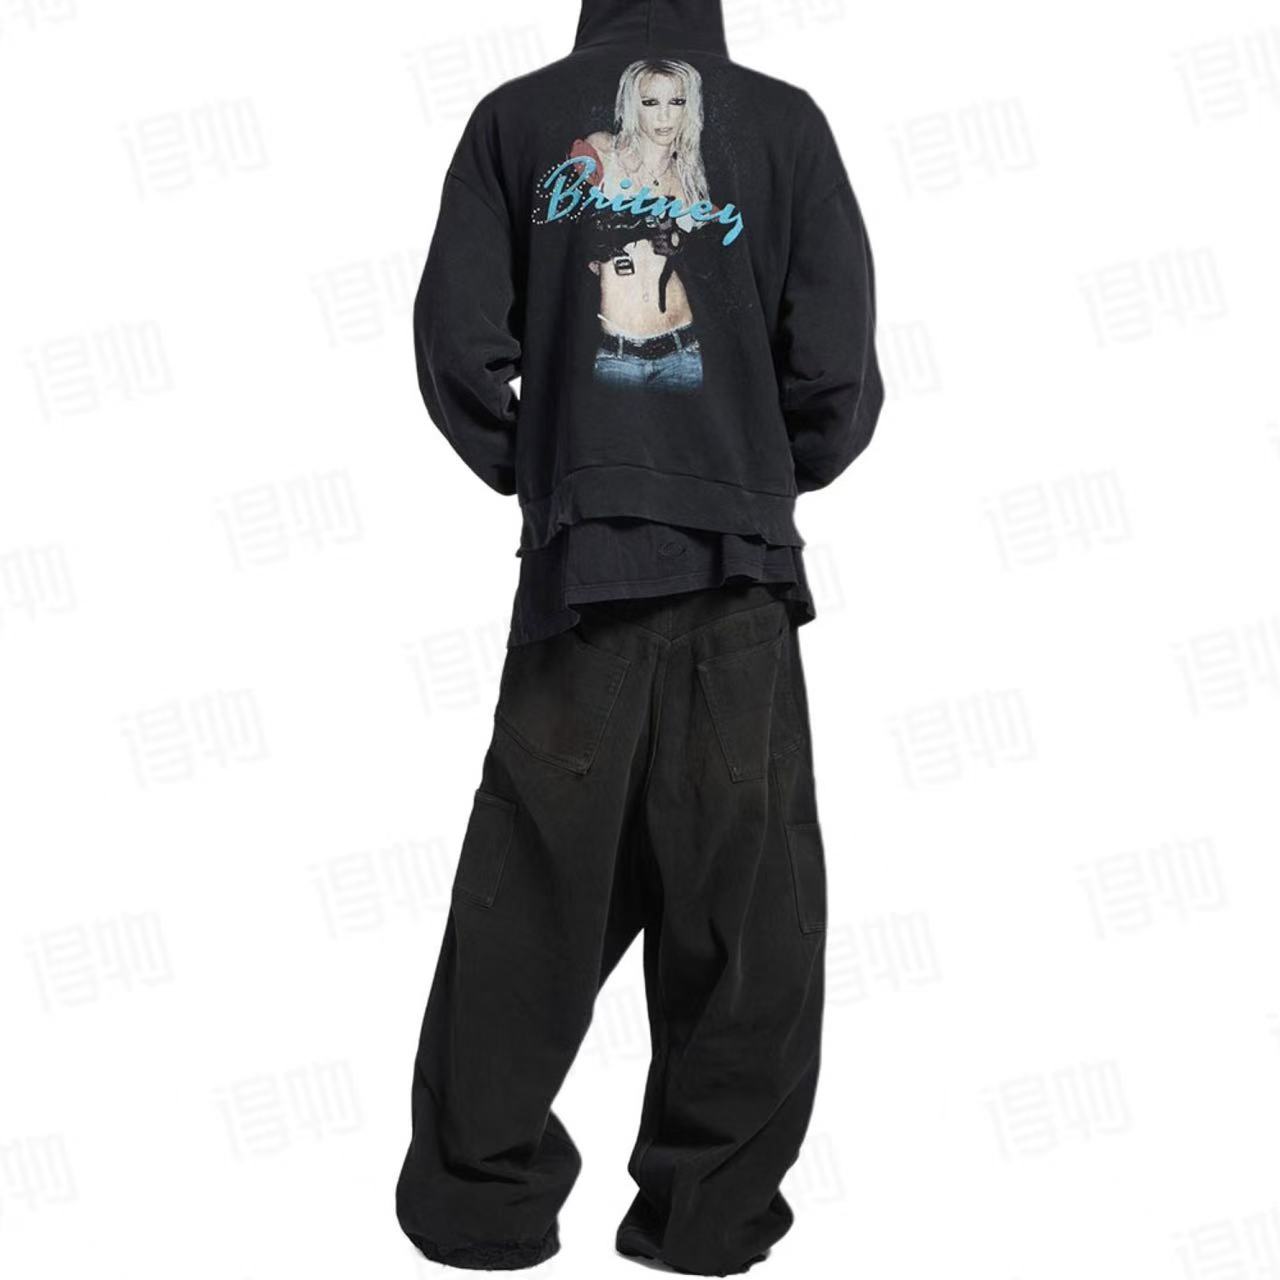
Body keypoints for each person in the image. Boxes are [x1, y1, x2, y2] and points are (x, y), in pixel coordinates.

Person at [395, 0, 885, 1273]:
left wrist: (561, 469)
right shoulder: (787, 125)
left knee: (526, 900)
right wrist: (747, 471)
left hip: (583, 576)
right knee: (748, 917)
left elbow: (455, 349)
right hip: (736, 576)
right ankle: (706, 1217)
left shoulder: (508, 121)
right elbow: (835, 376)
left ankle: (477, 1206)